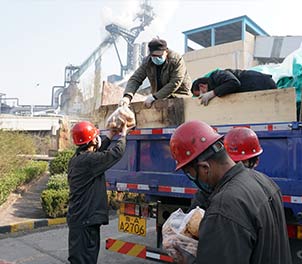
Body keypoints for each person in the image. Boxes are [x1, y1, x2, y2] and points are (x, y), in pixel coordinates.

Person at [169, 120, 292, 264]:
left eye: (190, 174)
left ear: (204, 167)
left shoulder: (224, 207)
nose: (193, 179)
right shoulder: (265, 181)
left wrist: (186, 258)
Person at [67, 120, 129, 264]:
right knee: (85, 260)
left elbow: (98, 156)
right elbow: (115, 153)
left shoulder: (77, 159)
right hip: (86, 221)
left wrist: (110, 136)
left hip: (81, 220)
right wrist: (123, 135)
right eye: (96, 136)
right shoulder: (88, 161)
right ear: (93, 141)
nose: (98, 138)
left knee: (80, 259)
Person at [189, 126, 263, 210]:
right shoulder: (207, 193)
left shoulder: (262, 187)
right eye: (235, 163)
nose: (238, 170)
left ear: (256, 161)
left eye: (242, 164)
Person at [119, 38, 191, 108]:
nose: (157, 58)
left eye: (159, 56)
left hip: (179, 96)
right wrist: (127, 96)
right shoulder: (148, 62)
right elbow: (136, 79)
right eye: (154, 56)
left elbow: (175, 82)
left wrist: (155, 97)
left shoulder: (176, 59)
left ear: (166, 52)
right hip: (159, 99)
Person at [191, 69, 277, 105]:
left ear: (202, 86)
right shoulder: (216, 84)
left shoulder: (218, 75)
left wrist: (213, 93)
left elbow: (234, 83)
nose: (202, 97)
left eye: (200, 94)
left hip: (263, 84)